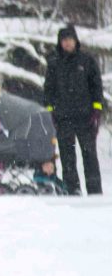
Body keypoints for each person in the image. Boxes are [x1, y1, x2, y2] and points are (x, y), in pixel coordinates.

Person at [43, 25, 104, 195]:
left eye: (70, 39)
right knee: (67, 157)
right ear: (60, 42)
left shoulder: (87, 60)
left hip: (86, 117)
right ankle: (72, 190)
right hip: (63, 118)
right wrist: (50, 111)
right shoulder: (54, 63)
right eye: (64, 40)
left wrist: (97, 109)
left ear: (76, 41)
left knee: (90, 155)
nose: (67, 43)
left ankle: (95, 191)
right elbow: (48, 90)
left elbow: (96, 86)